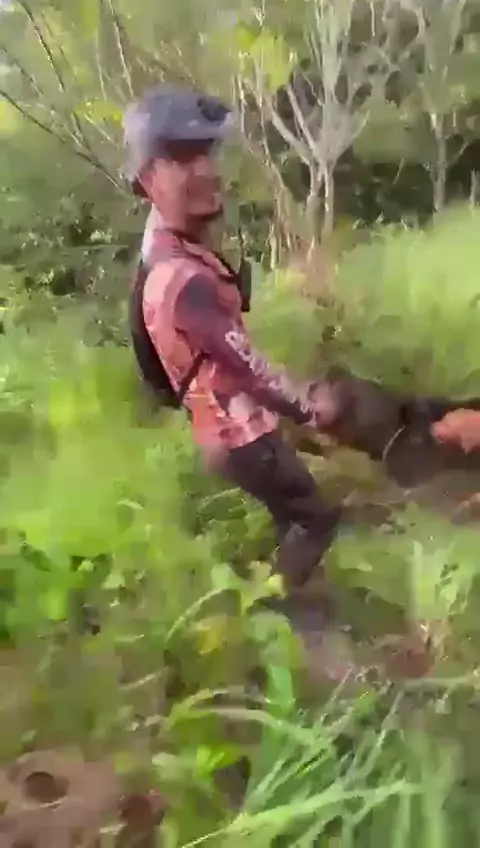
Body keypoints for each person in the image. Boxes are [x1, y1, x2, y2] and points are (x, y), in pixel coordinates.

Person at [122, 86, 370, 633]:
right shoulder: (183, 278)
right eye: (181, 158)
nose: (205, 170)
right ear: (147, 179)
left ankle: (284, 589)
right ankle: (275, 615)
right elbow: (246, 367)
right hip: (241, 437)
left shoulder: (164, 248)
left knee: (291, 510)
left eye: (205, 153)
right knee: (315, 519)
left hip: (229, 430)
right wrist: (310, 407)